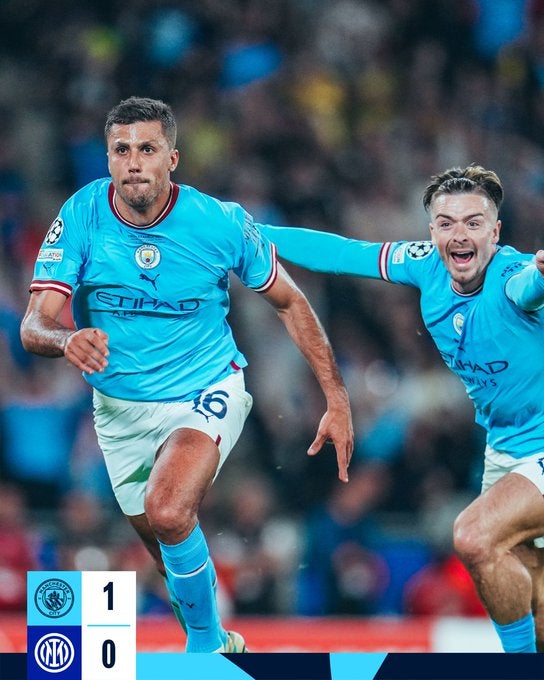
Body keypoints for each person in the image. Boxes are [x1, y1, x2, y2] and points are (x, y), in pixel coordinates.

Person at [20, 96, 353, 653]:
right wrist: (66, 339)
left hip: (206, 389)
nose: (133, 162)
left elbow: (291, 302)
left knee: (169, 508)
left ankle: (205, 654)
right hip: (119, 412)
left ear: (172, 158)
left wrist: (336, 398)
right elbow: (35, 325)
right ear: (107, 159)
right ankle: (221, 639)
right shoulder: (80, 215)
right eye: (121, 150)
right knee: (168, 554)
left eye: (147, 149)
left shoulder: (219, 222)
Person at [259, 165, 544, 653]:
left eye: (474, 223)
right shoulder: (424, 265)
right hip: (504, 449)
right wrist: (241, 231)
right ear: (431, 232)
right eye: (448, 223)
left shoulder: (514, 277)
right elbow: (343, 254)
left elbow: (528, 288)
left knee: (474, 535)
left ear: (495, 233)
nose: (460, 234)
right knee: (531, 601)